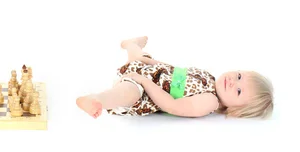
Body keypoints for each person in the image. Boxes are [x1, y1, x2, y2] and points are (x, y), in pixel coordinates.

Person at [76, 36, 273, 119]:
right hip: (150, 74)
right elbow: (173, 71)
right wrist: (150, 64)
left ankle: (97, 100)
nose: (233, 81)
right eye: (239, 76)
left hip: (145, 92)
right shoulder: (209, 78)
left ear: (236, 110)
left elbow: (172, 106)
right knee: (140, 58)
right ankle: (131, 45)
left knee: (128, 92)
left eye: (238, 90)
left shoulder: (210, 101)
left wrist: (144, 81)